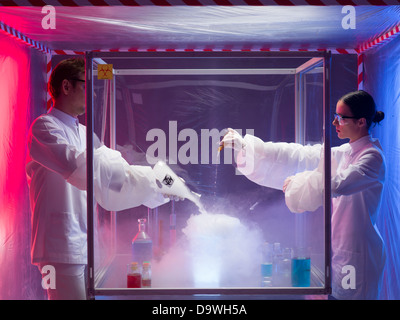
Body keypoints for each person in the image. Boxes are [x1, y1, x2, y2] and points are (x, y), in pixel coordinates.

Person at [26, 58, 174, 300]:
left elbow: (116, 178)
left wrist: (161, 183)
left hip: (84, 245)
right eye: (87, 85)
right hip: (59, 246)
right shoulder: (44, 128)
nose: (91, 95)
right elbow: (81, 167)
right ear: (66, 86)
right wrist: (140, 173)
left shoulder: (83, 132)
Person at [220, 90, 386, 300]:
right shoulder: (345, 152)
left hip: (359, 256)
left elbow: (335, 185)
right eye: (335, 117)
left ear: (361, 121)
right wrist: (248, 146)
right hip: (342, 253)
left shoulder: (372, 157)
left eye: (341, 118)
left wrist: (296, 183)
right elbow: (300, 155)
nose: (335, 123)